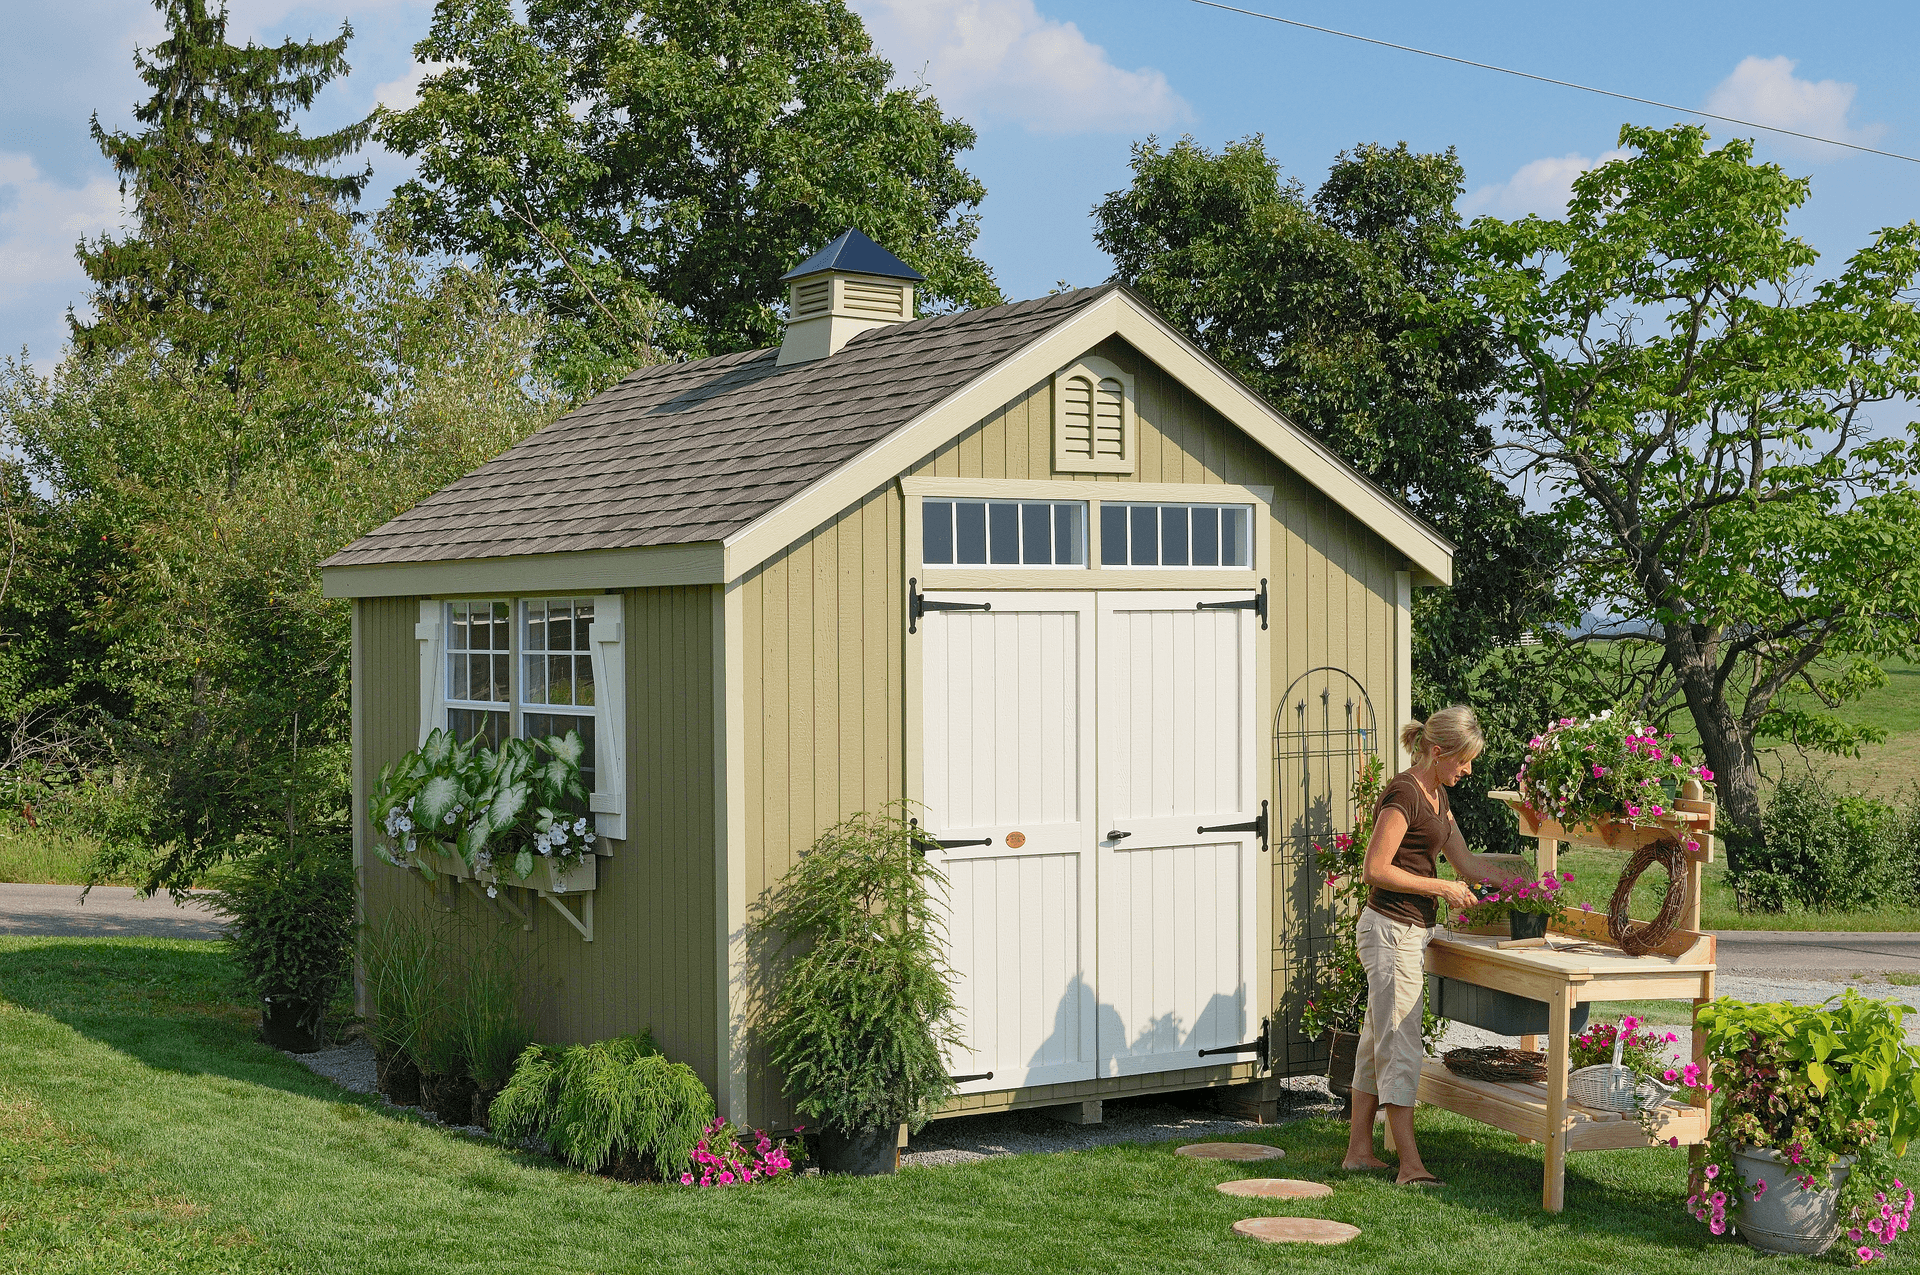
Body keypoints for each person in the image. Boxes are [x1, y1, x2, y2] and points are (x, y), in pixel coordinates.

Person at [1341, 706, 1503, 1187]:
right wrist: (1442, 889)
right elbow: (1375, 869)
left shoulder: (1436, 796)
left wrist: (1533, 888)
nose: (1468, 770)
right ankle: (1410, 1167)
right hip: (1390, 931)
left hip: (1407, 932)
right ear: (1438, 752)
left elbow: (1469, 864)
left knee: (1377, 1043)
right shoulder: (1405, 793)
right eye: (1464, 761)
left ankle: (1358, 1153)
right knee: (1401, 1046)